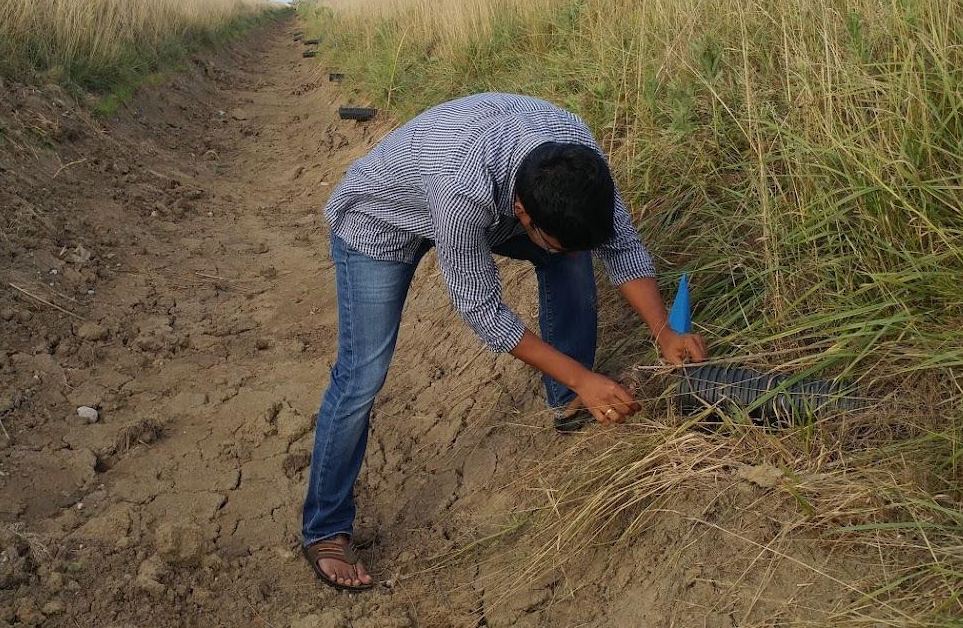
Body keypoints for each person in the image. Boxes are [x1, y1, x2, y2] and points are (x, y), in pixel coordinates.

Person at [300, 92, 708, 592]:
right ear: (522, 211)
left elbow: (619, 243)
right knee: (362, 375)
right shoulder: (461, 184)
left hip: (485, 197)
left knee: (569, 255)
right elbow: (483, 311)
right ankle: (325, 529)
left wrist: (663, 329)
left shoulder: (580, 157)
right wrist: (585, 375)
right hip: (379, 221)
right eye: (549, 234)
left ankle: (568, 403)